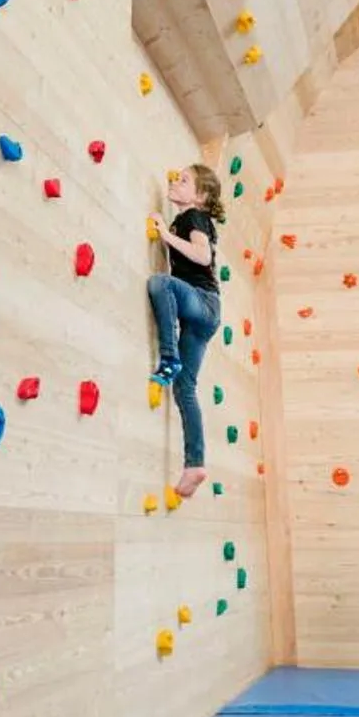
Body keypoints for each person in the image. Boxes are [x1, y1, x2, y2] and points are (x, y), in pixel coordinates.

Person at [149, 164, 225, 498]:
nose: (176, 182)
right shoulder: (188, 218)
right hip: (204, 314)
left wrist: (165, 235)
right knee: (185, 389)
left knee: (159, 283)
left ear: (200, 196)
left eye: (185, 181)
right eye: (176, 178)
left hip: (202, 303)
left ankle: (168, 357)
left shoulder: (194, 218)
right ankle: (194, 465)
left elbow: (201, 254)